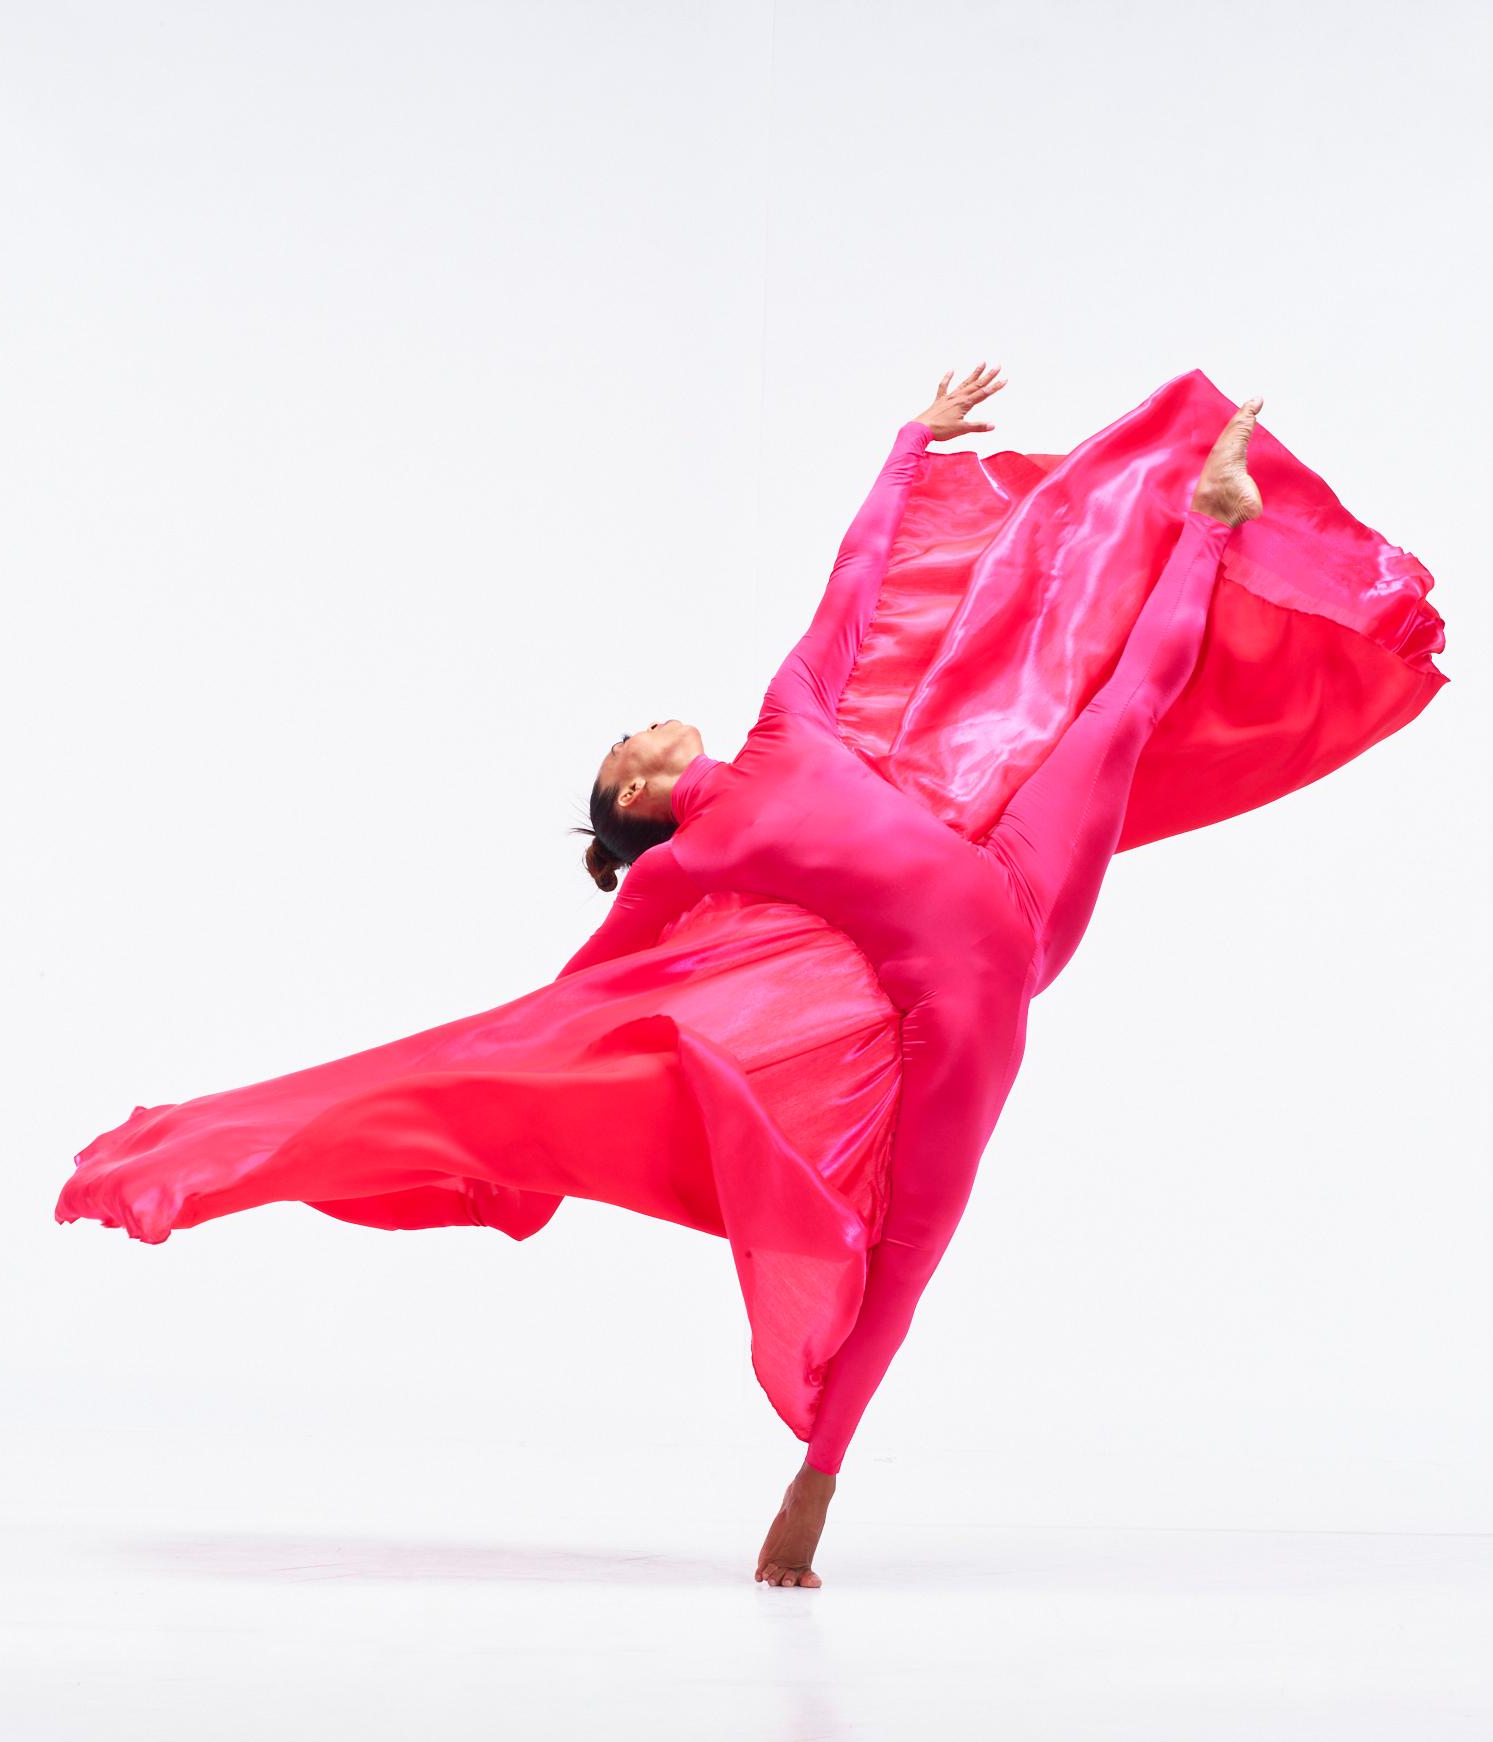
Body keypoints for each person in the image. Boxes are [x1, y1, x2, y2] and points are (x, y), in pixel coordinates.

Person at [564, 365, 1265, 1585]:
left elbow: (854, 585)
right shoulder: (689, 864)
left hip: (1013, 881)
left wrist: (908, 446)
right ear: (633, 794)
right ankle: (819, 1476)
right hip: (963, 995)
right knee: (911, 1235)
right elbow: (590, 986)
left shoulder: (791, 712)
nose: (648, 719)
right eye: (629, 735)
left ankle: (1210, 513)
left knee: (1116, 710)